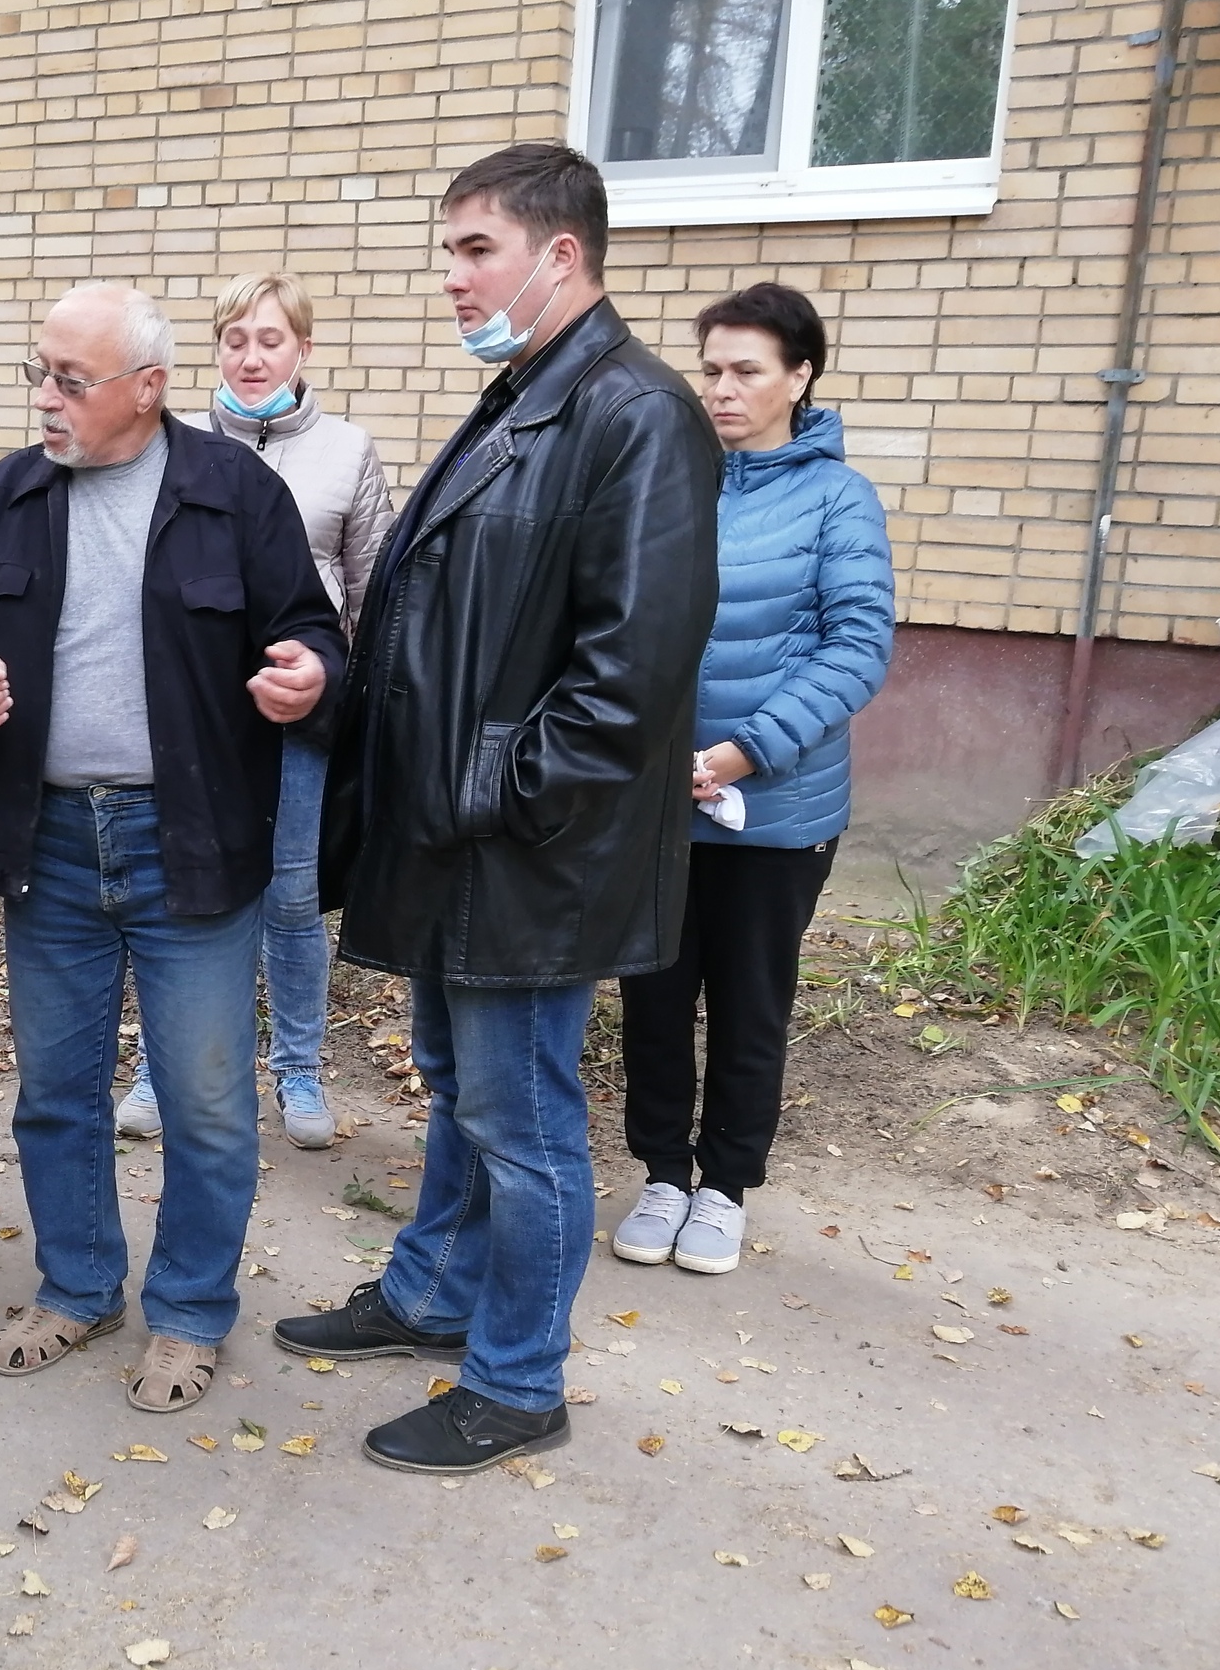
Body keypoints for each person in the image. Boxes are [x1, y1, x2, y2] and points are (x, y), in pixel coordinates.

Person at [275, 143, 718, 1474]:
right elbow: (442, 614)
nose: (451, 274)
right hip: (460, 842)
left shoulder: (638, 415)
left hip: (528, 854)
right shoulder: (528, 395)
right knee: (465, 1090)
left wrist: (482, 793)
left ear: (561, 254)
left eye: (476, 247)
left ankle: (519, 1379)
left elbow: (631, 675)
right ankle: (430, 1295)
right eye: (451, 249)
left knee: (522, 1124)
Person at [0, 283, 344, 1415]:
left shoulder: (231, 492)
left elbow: (309, 627)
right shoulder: (9, 495)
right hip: (46, 839)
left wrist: (306, 672)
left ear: (146, 390)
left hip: (189, 842)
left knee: (206, 1103)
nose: (46, 399)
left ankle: (192, 1313)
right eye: (38, 373)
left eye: (71, 379)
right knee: (56, 1095)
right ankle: (77, 1286)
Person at [613, 283, 893, 1274]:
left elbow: (857, 648)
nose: (721, 390)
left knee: (746, 1002)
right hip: (657, 801)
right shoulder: (676, 482)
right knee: (651, 996)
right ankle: (658, 1171)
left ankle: (725, 1184)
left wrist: (742, 752)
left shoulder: (836, 498)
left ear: (800, 375)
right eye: (711, 369)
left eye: (746, 371)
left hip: (773, 807)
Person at [116, 271, 393, 1150]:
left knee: (290, 898)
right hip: (193, 713)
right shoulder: (172, 443)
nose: (251, 356)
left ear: (303, 350)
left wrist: (332, 687)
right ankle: (169, 1070)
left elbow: (372, 593)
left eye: (270, 339)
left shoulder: (346, 451)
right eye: (236, 339)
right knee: (188, 891)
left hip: (298, 715)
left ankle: (298, 1068)